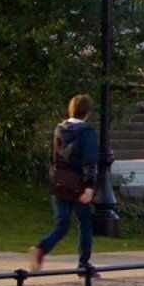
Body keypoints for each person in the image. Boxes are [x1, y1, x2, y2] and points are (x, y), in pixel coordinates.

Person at [32, 94, 106, 270]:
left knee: (62, 224)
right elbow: (89, 161)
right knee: (85, 223)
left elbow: (53, 157)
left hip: (59, 182)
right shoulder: (86, 132)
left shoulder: (59, 129)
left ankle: (41, 249)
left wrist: (54, 176)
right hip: (78, 184)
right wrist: (89, 186)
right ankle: (83, 263)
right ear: (87, 113)